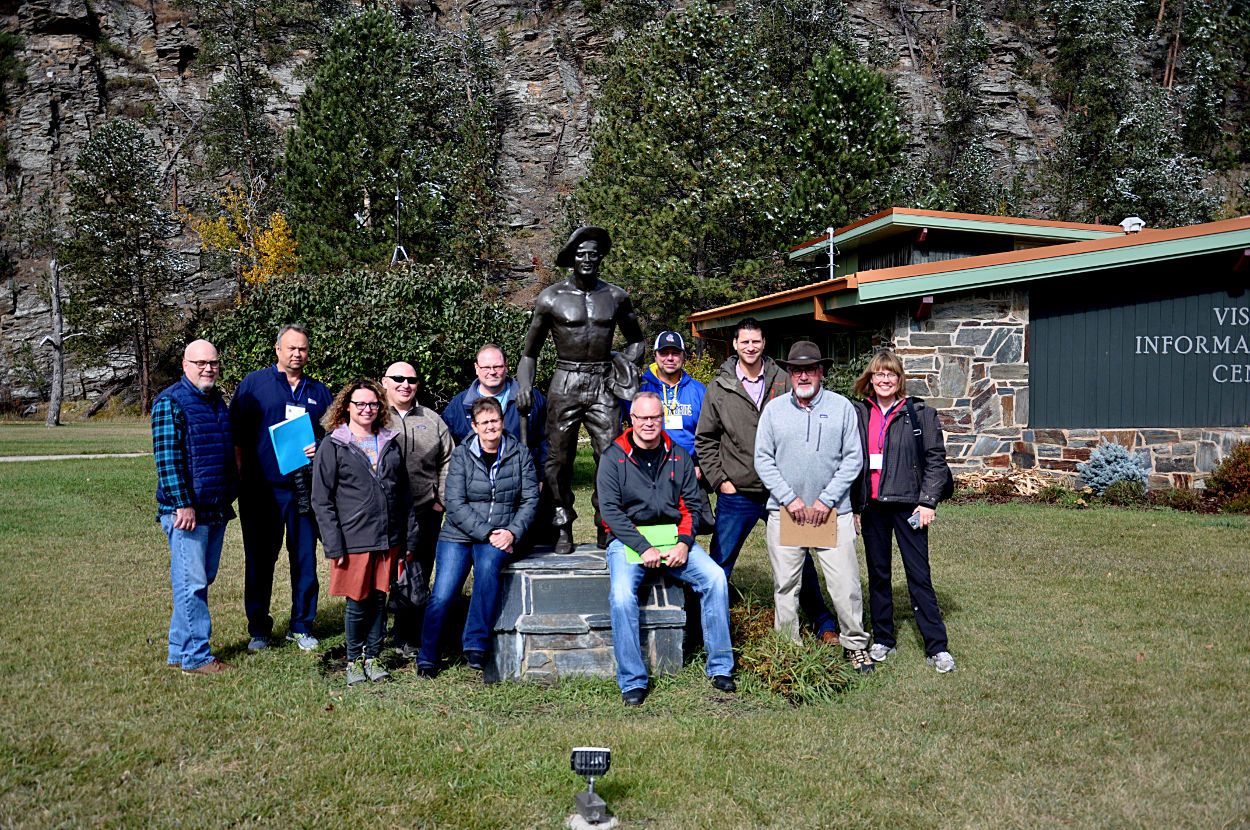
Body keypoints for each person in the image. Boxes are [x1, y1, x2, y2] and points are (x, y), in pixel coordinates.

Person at [694, 318, 840, 644]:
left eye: (756, 342)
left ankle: (824, 623)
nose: (750, 347)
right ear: (734, 344)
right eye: (744, 342)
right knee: (720, 565)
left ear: (764, 343)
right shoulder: (720, 386)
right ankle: (703, 630)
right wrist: (721, 481)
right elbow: (705, 439)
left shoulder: (782, 380)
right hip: (738, 492)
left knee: (800, 562)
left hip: (784, 493)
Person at [597, 391, 735, 706]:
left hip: (673, 536)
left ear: (662, 418)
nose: (649, 423)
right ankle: (632, 680)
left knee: (714, 577)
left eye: (655, 417)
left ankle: (721, 667)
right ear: (631, 420)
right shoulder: (613, 457)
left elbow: (692, 506)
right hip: (628, 539)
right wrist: (642, 547)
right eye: (642, 417)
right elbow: (610, 514)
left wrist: (685, 543)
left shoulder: (678, 455)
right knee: (620, 596)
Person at [516, 226, 646, 554]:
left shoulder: (616, 296)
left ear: (600, 258)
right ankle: (561, 524)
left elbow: (638, 341)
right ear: (571, 258)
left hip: (603, 381)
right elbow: (529, 353)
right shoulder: (551, 298)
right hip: (566, 379)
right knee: (558, 459)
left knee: (610, 455)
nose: (587, 259)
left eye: (593, 254)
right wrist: (524, 385)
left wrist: (621, 364)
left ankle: (607, 523)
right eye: (581, 254)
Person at [754, 340, 874, 674]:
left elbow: (854, 459)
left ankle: (855, 645)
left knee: (845, 584)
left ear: (820, 371)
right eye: (796, 370)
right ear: (789, 373)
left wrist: (826, 499)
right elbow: (762, 459)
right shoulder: (774, 411)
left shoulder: (841, 408)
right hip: (785, 512)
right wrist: (789, 499)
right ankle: (788, 649)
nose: (803, 375)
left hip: (833, 512)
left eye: (809, 369)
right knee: (786, 585)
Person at [850, 350, 956, 673]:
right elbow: (852, 464)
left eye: (891, 375)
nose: (884, 380)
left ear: (899, 380)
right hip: (872, 507)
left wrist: (927, 501)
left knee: (918, 575)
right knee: (878, 574)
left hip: (910, 506)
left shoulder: (919, 413)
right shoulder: (859, 413)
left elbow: (936, 461)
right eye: (879, 374)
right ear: (870, 378)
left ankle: (937, 646)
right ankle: (883, 638)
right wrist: (855, 507)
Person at [417, 397, 539, 677]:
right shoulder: (462, 454)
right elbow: (455, 502)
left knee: (487, 572)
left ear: (502, 421)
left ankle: (475, 645)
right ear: (474, 425)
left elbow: (531, 499)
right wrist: (486, 531)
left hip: (501, 534)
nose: (490, 426)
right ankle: (427, 656)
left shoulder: (520, 454)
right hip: (459, 534)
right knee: (443, 593)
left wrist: (512, 532)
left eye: (494, 420)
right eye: (484, 422)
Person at [230, 324, 332, 652]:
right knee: (260, 560)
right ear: (278, 350)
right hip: (261, 490)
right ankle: (259, 629)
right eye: (291, 348)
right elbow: (235, 434)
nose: (297, 354)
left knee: (304, 559)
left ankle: (301, 626)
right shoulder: (254, 385)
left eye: (302, 349)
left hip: (304, 489)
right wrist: (241, 476)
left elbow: (333, 436)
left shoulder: (319, 391)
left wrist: (320, 446)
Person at [312, 379, 417, 686]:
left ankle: (373, 656)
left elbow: (404, 495)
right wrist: (334, 544)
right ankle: (354, 660)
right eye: (360, 404)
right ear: (347, 407)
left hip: (388, 538)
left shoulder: (390, 441)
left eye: (373, 404)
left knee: (379, 601)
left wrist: (407, 537)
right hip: (353, 539)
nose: (367, 409)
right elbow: (321, 500)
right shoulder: (333, 444)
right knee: (358, 602)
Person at [152, 339, 238, 675]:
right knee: (192, 584)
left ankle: (178, 651)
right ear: (185, 365)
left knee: (199, 580)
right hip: (188, 512)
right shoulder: (170, 402)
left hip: (215, 508)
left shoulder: (216, 399)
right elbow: (168, 460)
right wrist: (181, 504)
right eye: (200, 362)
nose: (208, 368)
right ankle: (197, 657)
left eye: (213, 362)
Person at [382, 362, 454, 658]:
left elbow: (449, 459)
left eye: (411, 380)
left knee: (418, 572)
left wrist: (441, 498)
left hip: (425, 509)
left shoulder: (432, 419)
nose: (405, 384)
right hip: (384, 511)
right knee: (383, 572)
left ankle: (408, 634)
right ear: (384, 382)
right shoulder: (372, 413)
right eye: (398, 378)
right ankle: (372, 634)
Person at [442, 344, 548, 477]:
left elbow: (547, 441)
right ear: (476, 368)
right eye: (486, 367)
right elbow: (445, 449)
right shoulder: (459, 405)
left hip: (524, 483)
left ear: (506, 366)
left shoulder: (530, 397)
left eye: (497, 366)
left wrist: (543, 477)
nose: (492, 372)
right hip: (475, 488)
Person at [638, 330, 705, 470]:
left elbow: (708, 434)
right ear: (655, 356)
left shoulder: (699, 391)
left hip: (689, 469)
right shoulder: (640, 389)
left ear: (683, 356)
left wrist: (699, 464)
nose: (670, 358)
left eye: (675, 353)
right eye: (664, 353)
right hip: (648, 470)